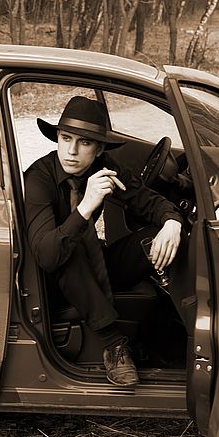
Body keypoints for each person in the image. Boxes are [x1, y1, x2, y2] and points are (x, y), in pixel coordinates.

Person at [24, 96, 184, 386]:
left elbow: (148, 202)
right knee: (67, 246)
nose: (71, 151)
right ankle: (113, 342)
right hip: (52, 275)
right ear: (57, 138)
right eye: (65, 138)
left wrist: (172, 221)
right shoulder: (38, 179)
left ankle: (168, 334)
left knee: (151, 238)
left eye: (84, 143)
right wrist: (86, 207)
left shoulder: (106, 168)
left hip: (92, 259)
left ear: (98, 149)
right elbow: (46, 256)